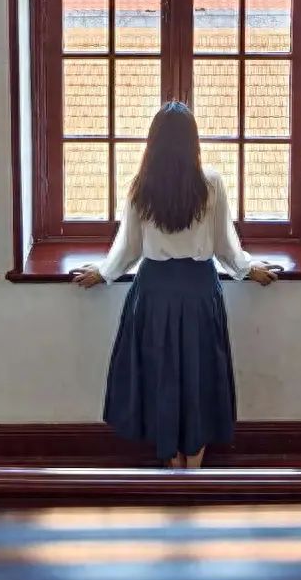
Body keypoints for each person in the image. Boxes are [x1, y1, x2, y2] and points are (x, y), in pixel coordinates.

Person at [72, 101, 278, 469]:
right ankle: (193, 471)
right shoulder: (210, 183)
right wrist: (249, 269)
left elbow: (129, 247)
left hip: (154, 291)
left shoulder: (142, 186)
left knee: (162, 376)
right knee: (197, 378)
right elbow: (225, 246)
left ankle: (172, 468)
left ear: (153, 142)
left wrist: (103, 273)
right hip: (198, 290)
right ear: (193, 141)